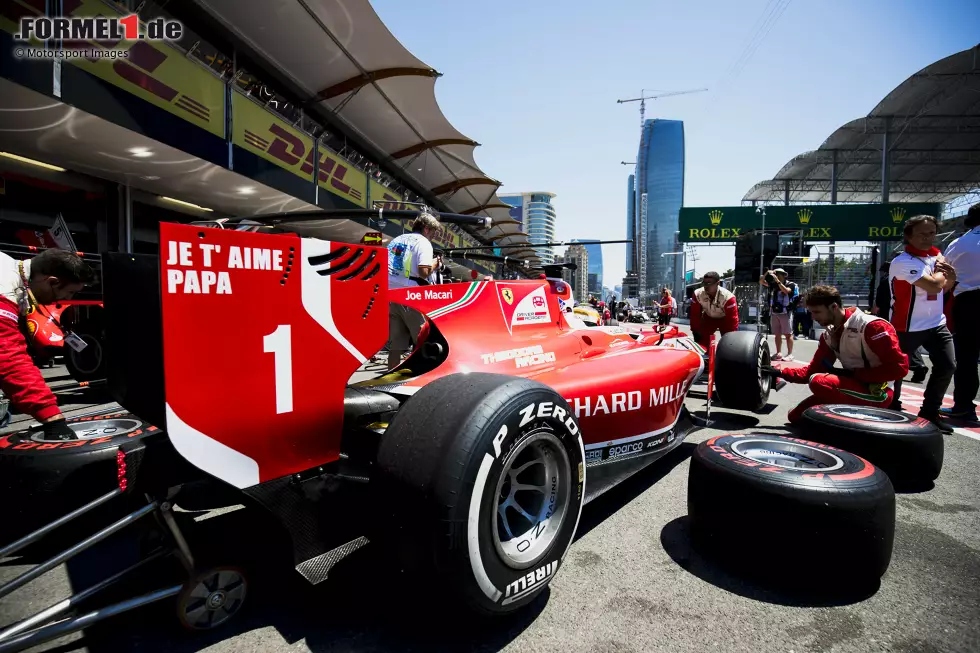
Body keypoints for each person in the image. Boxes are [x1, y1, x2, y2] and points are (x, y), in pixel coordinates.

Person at [767, 285, 908, 424]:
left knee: (819, 382)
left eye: (816, 312)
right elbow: (812, 370)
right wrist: (778, 372)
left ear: (834, 307)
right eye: (811, 312)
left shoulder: (873, 327)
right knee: (796, 416)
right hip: (851, 387)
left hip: (878, 393)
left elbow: (900, 368)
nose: (813, 317)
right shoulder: (828, 335)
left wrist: (856, 375)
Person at [0, 248, 94, 439]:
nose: (68, 300)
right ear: (52, 281)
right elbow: (8, 357)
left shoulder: (9, 269)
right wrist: (51, 416)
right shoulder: (5, 285)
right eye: (69, 293)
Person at [888, 214, 956, 432]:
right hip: (906, 326)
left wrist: (948, 279)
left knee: (947, 365)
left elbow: (945, 286)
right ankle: (889, 407)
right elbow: (935, 286)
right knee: (896, 371)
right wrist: (943, 276)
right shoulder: (902, 261)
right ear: (908, 236)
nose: (928, 238)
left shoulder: (936, 256)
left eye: (931, 233)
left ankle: (930, 412)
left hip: (937, 323)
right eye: (921, 234)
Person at [939, 203, 980, 421]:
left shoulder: (959, 243)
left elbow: (943, 273)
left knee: (967, 357)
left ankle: (964, 407)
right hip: (969, 300)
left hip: (970, 301)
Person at [386, 210, 440, 370]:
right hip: (411, 297)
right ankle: (422, 376)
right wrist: (436, 263)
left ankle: (391, 376)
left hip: (391, 296)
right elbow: (423, 271)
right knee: (422, 340)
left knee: (396, 344)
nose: (433, 236)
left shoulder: (397, 240)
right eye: (434, 232)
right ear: (426, 229)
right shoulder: (423, 242)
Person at [873, 261, 928, 383]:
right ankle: (918, 365)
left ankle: (900, 369)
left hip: (890, 316)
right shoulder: (908, 279)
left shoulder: (885, 281)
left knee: (897, 345)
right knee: (909, 342)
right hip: (907, 314)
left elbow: (879, 302)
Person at [690, 271, 739, 347]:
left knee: (728, 344)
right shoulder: (697, 294)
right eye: (704, 283)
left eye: (709, 283)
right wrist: (695, 330)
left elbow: (732, 320)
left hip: (725, 320)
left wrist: (731, 336)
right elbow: (695, 314)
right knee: (702, 343)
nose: (706, 286)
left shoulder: (728, 297)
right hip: (708, 318)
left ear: (717, 283)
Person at [759, 267, 799, 361]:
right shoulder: (772, 285)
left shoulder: (791, 284)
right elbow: (761, 281)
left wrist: (777, 281)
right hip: (774, 311)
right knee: (777, 334)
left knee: (788, 333)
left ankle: (790, 354)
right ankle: (779, 352)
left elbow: (786, 291)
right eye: (776, 274)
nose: (777, 276)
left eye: (779, 274)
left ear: (783, 275)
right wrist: (766, 274)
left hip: (785, 312)